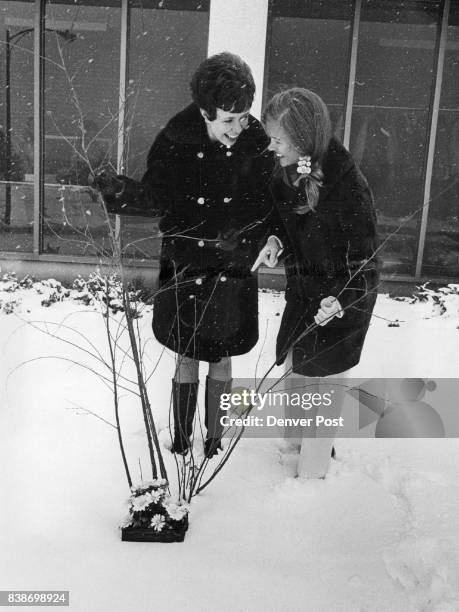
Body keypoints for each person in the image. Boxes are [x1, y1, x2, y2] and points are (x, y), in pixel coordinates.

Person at [94, 52, 274, 458]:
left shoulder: (257, 140)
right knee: (188, 351)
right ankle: (180, 439)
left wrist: (267, 237)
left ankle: (213, 439)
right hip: (187, 260)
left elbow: (270, 203)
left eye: (243, 116)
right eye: (228, 120)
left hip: (233, 263)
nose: (238, 127)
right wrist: (119, 192)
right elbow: (156, 196)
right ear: (204, 112)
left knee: (224, 354)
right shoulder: (176, 140)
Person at [252, 87, 379, 479]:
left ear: (303, 138)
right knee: (298, 372)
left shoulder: (348, 188)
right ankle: (293, 451)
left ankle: (311, 484)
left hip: (340, 305)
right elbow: (282, 222)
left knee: (323, 389)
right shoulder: (287, 173)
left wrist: (340, 301)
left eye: (277, 139)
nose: (271, 147)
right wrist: (274, 241)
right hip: (304, 295)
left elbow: (366, 262)